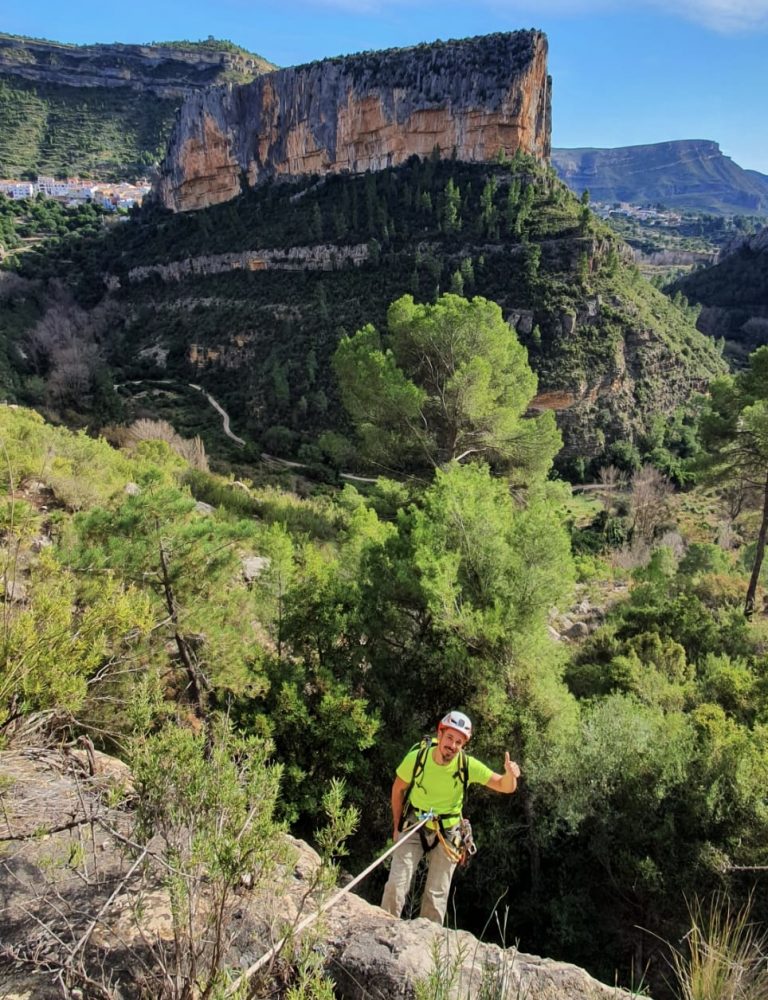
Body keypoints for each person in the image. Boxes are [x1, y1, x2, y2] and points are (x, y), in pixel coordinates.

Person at [380, 710, 521, 925]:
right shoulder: (418, 758)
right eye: (449, 738)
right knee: (396, 885)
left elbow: (504, 786)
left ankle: (427, 943)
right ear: (440, 733)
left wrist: (511, 775)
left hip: (448, 831)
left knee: (436, 895)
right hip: (415, 823)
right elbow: (398, 789)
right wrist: (397, 826)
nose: (452, 745)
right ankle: (383, 928)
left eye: (459, 742)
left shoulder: (466, 765)